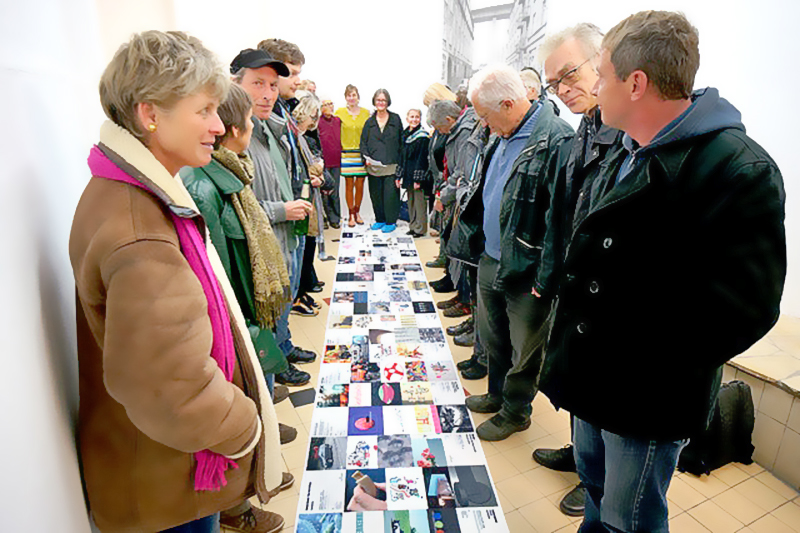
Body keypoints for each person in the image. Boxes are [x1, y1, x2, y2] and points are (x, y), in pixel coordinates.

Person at [538, 11, 786, 533]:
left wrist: (642, 354)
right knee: (596, 490)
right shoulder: (626, 148)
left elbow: (747, 307)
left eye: (602, 76)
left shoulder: (737, 169)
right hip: (592, 376)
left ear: (635, 83)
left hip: (645, 394)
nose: (594, 89)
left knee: (630, 518)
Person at [69, 31, 284, 532]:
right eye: (203, 110)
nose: (218, 125)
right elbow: (169, 388)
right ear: (150, 114)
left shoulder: (126, 192)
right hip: (168, 479)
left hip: (158, 465)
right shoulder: (141, 232)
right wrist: (246, 428)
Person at [182, 82, 298, 533]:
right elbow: (215, 271)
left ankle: (262, 458)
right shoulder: (203, 185)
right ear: (233, 129)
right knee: (238, 405)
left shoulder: (231, 174)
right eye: (249, 121)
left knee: (257, 395)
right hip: (232, 318)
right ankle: (237, 505)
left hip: (249, 310)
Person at [532, 22, 625, 518]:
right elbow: (559, 216)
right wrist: (549, 277)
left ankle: (596, 481)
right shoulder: (581, 134)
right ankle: (580, 458)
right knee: (579, 390)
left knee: (604, 404)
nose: (563, 90)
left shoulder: (629, 138)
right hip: (574, 290)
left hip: (606, 303)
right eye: (554, 84)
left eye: (569, 75)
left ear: (603, 62)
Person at [453, 65, 573, 441]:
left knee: (526, 348)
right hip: (491, 256)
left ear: (507, 104)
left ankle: (516, 411)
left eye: (486, 116)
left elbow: (560, 218)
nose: (483, 124)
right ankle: (495, 394)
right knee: (494, 336)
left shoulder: (556, 139)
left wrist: (545, 276)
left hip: (527, 266)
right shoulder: (502, 133)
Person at [231, 48, 314, 389]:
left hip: (285, 235)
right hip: (266, 244)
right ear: (234, 84)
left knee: (282, 307)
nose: (268, 93)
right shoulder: (234, 138)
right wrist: (283, 210)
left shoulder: (266, 127)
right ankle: (275, 368)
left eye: (272, 85)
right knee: (269, 315)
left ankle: (283, 352)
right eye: (258, 84)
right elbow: (239, 208)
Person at [255, 39, 321, 375]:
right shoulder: (257, 119)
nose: (297, 80)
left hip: (291, 214)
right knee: (279, 295)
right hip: (276, 220)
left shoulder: (281, 111)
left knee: (290, 289)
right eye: (292, 74)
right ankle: (278, 361)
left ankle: (284, 345)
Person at [360, 88, 403, 233]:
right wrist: (365, 158)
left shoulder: (395, 119)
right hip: (373, 167)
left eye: (384, 100)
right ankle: (380, 220)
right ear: (374, 101)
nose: (381, 103)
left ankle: (391, 221)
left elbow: (401, 141)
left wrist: (401, 165)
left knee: (390, 197)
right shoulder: (369, 122)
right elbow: (363, 143)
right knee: (376, 196)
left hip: (391, 166)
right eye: (378, 100)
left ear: (388, 102)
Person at [335, 85, 371, 226]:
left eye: (354, 95)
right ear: (345, 97)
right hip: (346, 153)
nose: (351, 98)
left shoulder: (366, 113)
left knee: (360, 185)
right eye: (349, 95)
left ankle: (357, 212)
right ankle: (350, 214)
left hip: (361, 153)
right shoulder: (339, 113)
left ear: (358, 97)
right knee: (349, 185)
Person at [395, 108, 430, 237]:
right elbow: (401, 157)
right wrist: (398, 176)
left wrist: (418, 180)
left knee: (419, 204)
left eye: (417, 117)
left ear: (420, 119)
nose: (414, 119)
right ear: (407, 118)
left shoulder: (423, 137)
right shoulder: (405, 135)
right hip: (407, 175)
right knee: (411, 202)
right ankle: (413, 226)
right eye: (412, 117)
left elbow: (422, 160)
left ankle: (420, 229)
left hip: (417, 175)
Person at [318, 97, 343, 228]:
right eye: (326, 104)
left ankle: (335, 219)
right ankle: (325, 218)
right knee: (324, 193)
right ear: (321, 108)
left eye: (331, 104)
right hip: (323, 163)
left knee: (335, 192)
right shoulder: (318, 122)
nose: (329, 106)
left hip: (336, 162)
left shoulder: (338, 121)